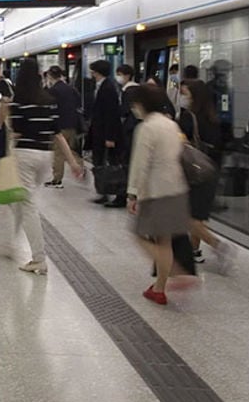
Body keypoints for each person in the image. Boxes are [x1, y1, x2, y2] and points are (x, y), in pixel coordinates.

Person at [0, 57, 85, 275]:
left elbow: (16, 133)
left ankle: (38, 259)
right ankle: (11, 243)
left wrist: (7, 115)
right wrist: (72, 162)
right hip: (44, 156)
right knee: (20, 200)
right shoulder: (48, 101)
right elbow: (57, 134)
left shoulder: (18, 102)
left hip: (24, 155)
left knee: (27, 205)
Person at [127, 85, 192, 305]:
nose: (134, 108)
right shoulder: (171, 123)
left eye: (135, 104)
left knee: (139, 235)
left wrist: (133, 194)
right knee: (164, 241)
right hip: (176, 188)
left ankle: (176, 272)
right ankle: (159, 288)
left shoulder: (146, 128)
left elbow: (140, 165)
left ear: (142, 104)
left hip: (155, 192)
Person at [178, 79, 235, 273]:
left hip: (193, 171)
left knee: (189, 218)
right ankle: (194, 251)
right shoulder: (213, 117)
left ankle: (218, 245)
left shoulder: (188, 117)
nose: (183, 97)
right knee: (198, 216)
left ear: (194, 96)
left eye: (185, 93)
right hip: (210, 170)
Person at [86, 60, 125, 203]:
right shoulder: (100, 86)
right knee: (101, 164)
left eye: (93, 71)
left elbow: (111, 114)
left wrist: (110, 137)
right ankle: (104, 191)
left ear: (97, 72)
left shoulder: (108, 88)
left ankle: (117, 193)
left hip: (105, 134)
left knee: (112, 165)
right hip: (99, 133)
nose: (91, 74)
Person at [45, 66, 82, 188]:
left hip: (59, 125)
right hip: (72, 123)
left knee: (59, 152)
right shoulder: (71, 88)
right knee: (70, 149)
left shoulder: (53, 91)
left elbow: (49, 108)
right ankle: (80, 167)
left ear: (49, 76)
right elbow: (78, 103)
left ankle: (57, 179)